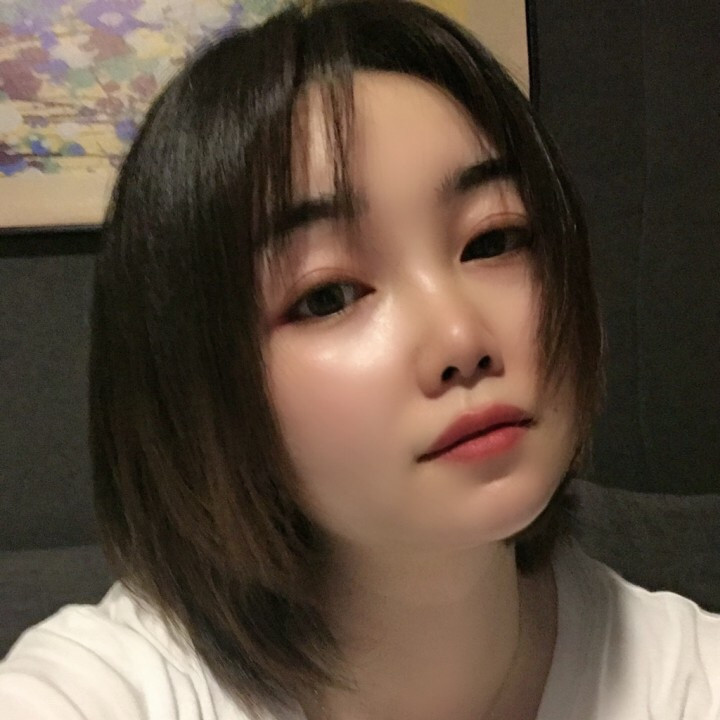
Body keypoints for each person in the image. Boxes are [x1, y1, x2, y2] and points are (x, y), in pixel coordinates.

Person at [1, 1, 719, 718]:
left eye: (493, 240)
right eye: (327, 296)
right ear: (194, 393)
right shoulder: (106, 690)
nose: (461, 339)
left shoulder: (691, 677)